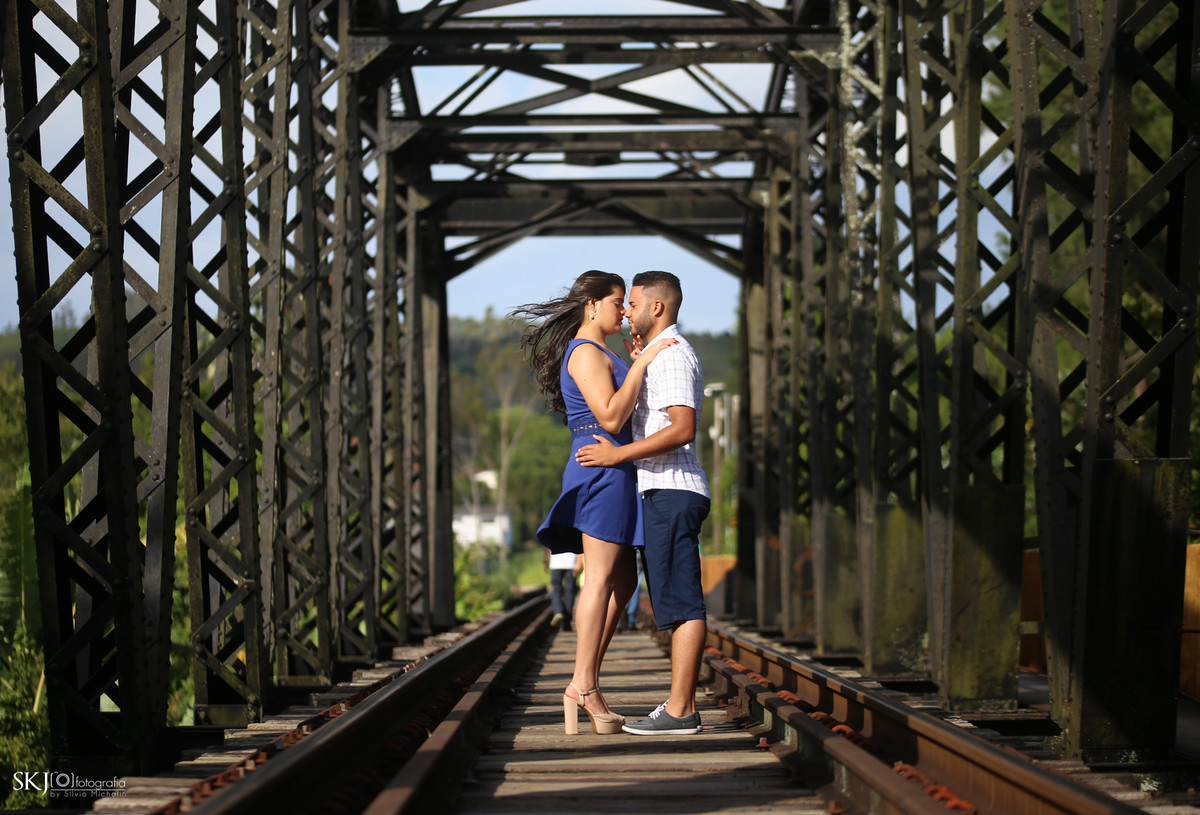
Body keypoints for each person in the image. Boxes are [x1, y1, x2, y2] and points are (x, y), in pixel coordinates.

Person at [513, 270, 675, 736]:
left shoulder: (604, 352)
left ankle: (587, 683)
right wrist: (643, 365)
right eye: (617, 302)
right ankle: (583, 685)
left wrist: (633, 361)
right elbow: (610, 416)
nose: (623, 311)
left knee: (623, 581)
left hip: (618, 467)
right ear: (591, 304)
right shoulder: (584, 352)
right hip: (601, 467)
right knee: (601, 577)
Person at [575, 270, 710, 736]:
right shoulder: (660, 355)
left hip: (672, 489)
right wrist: (639, 364)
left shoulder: (670, 355)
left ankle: (681, 711)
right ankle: (678, 706)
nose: (627, 311)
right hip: (662, 490)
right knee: (672, 600)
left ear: (657, 307)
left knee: (681, 603)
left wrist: (619, 455)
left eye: (632, 303)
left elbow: (682, 429)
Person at [546, 550, 580, 631]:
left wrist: (545, 560)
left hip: (556, 564)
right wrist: (578, 563)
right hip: (571, 564)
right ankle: (566, 623)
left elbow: (547, 546)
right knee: (570, 593)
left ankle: (558, 611)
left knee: (556, 590)